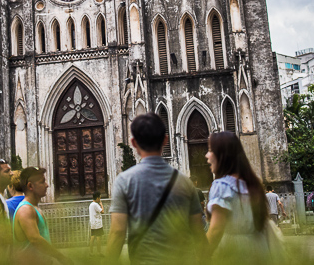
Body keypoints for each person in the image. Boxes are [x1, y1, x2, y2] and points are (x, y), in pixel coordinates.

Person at [106, 113, 206, 265]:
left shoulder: (124, 182)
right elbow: (198, 233)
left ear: (133, 143)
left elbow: (117, 233)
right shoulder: (185, 182)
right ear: (165, 140)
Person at [205, 131, 279, 261]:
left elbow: (216, 230)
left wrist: (198, 255)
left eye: (211, 150)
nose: (207, 156)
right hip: (259, 250)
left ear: (222, 155)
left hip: (234, 252)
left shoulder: (222, 186)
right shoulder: (252, 185)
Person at [12, 166, 72, 265]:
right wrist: (61, 257)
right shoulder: (26, 210)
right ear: (30, 186)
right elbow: (35, 239)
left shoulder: (34, 207)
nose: (47, 185)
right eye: (42, 182)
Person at [88, 190, 105, 256]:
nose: (100, 199)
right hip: (97, 224)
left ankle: (91, 252)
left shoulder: (91, 204)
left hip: (93, 224)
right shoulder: (96, 205)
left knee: (92, 238)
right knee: (98, 238)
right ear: (97, 198)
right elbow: (102, 211)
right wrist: (101, 205)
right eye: (100, 198)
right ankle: (99, 252)